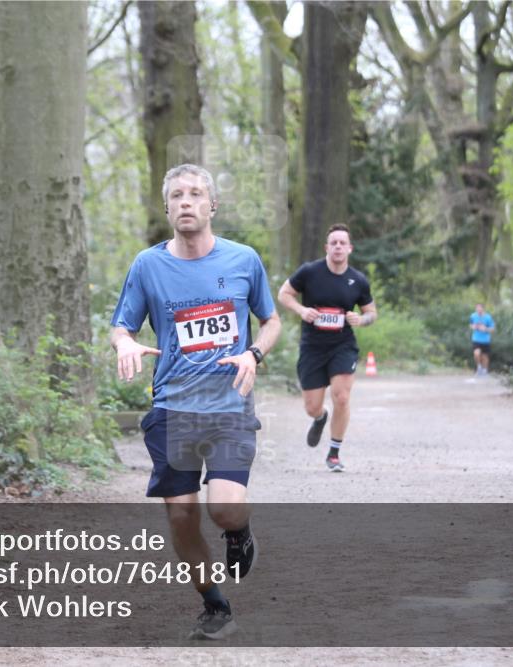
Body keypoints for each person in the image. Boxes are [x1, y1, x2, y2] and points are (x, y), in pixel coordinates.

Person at [111, 164, 281, 640]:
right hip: (172, 407)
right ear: (167, 208)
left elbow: (271, 321)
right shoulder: (148, 266)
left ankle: (238, 532)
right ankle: (214, 604)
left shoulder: (243, 260)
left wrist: (254, 353)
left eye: (196, 194)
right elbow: (121, 325)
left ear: (212, 206)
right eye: (177, 196)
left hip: (229, 405)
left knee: (223, 510)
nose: (186, 202)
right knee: (181, 516)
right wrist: (123, 343)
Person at [277, 223, 376, 473]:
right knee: (311, 406)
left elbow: (371, 312)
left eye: (343, 243)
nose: (338, 247)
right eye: (334, 243)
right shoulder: (310, 272)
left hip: (343, 345)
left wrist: (361, 320)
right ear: (327, 247)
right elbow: (284, 294)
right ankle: (320, 418)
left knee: (342, 397)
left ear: (350, 248)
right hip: (312, 347)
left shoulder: (358, 280)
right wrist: (302, 310)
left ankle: (334, 453)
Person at [469, 303, 496, 376]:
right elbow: (471, 325)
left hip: (485, 340)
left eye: (480, 308)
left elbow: (493, 329)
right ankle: (479, 367)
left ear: (483, 309)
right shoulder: (473, 316)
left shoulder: (488, 317)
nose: (478, 310)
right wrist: (473, 327)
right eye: (477, 308)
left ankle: (485, 370)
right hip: (476, 339)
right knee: (476, 353)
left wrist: (486, 329)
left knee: (485, 356)